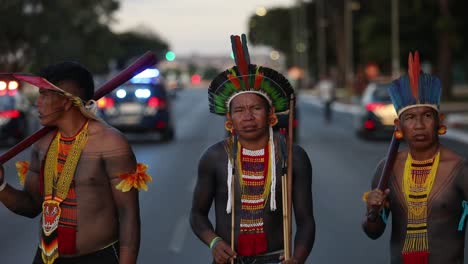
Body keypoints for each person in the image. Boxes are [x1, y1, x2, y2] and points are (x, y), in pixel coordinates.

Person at [0, 61, 151, 263]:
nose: (38, 102)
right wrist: (1, 185)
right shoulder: (41, 144)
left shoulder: (109, 143)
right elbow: (30, 206)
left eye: (44, 94)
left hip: (99, 257)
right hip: (47, 257)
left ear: (65, 100)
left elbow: (128, 215)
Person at [190, 34, 315, 264]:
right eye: (239, 111)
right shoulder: (215, 157)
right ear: (229, 117)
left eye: (256, 108)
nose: (248, 117)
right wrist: (214, 242)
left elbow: (306, 221)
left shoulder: (292, 156)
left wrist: (297, 258)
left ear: (270, 114)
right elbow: (197, 215)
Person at [362, 52, 468, 263]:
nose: (419, 125)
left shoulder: (459, 169)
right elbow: (373, 231)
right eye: (410, 117)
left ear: (439, 122)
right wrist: (373, 210)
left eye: (427, 116)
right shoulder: (387, 169)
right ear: (398, 126)